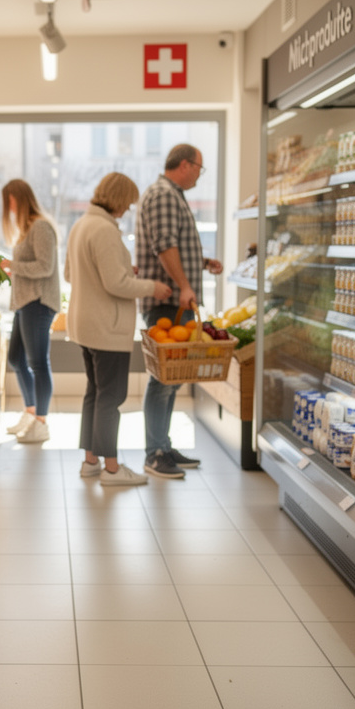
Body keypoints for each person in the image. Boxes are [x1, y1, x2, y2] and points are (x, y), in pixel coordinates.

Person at [66, 172, 172, 486]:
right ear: (117, 198)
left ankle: (90, 462)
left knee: (95, 394)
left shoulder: (82, 224)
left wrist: (126, 271)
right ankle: (112, 469)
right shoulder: (105, 230)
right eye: (126, 201)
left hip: (85, 324)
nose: (127, 208)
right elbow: (116, 283)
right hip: (106, 328)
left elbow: (73, 274)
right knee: (111, 397)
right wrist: (152, 286)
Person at [136, 143, 223, 479]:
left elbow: (174, 245)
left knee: (171, 380)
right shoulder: (163, 194)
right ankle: (155, 452)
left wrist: (200, 263)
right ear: (185, 165)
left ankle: (163, 444)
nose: (200, 176)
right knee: (162, 379)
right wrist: (186, 285)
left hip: (175, 300)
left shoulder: (171, 193)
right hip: (167, 303)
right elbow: (164, 244)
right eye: (200, 168)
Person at [0, 180, 61, 444]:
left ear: (17, 198)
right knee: (16, 359)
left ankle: (41, 421)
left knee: (37, 362)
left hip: (39, 302)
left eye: (9, 201)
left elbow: (45, 267)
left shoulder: (41, 227)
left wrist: (13, 265)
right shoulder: (27, 229)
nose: (8, 208)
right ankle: (31, 410)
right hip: (25, 303)